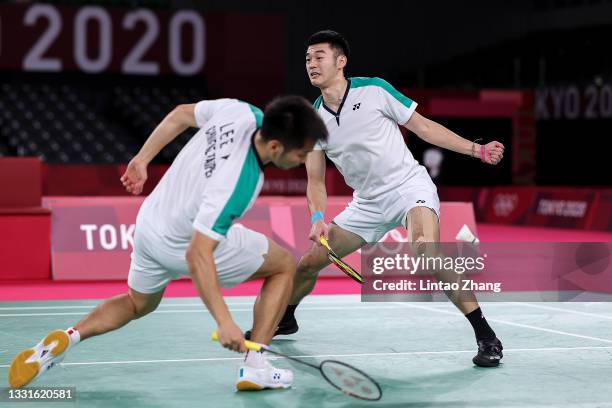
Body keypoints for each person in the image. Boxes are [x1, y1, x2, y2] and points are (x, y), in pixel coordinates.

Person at [8, 96, 328, 390]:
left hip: (150, 223)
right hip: (183, 242)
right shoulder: (241, 182)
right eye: (300, 154)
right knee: (284, 265)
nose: (302, 161)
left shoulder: (241, 111)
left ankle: (66, 339)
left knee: (138, 303)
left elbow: (180, 115)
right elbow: (198, 254)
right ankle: (256, 366)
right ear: (275, 147)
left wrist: (142, 159)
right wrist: (225, 321)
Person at [253, 30, 505, 367]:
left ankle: (486, 336)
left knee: (425, 250)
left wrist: (477, 149)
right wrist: (316, 219)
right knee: (308, 264)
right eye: (307, 59)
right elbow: (314, 181)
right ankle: (287, 318)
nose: (311, 64)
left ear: (340, 61)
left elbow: (425, 128)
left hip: (407, 187)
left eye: (319, 57)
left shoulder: (374, 90)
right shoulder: (314, 120)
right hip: (367, 203)